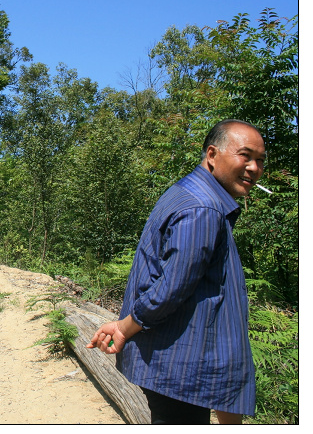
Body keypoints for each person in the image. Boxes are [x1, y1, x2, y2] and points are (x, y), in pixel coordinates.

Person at [86, 119, 266, 424]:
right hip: (181, 369)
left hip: (184, 364)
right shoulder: (203, 209)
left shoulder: (190, 193)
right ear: (212, 154)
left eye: (260, 160)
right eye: (244, 156)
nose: (253, 167)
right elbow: (170, 288)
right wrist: (124, 328)